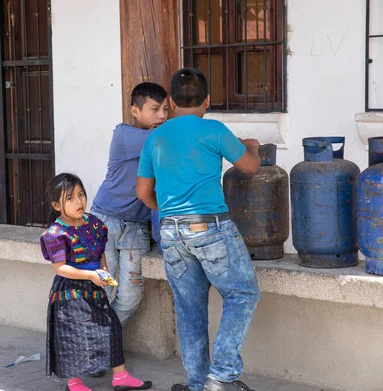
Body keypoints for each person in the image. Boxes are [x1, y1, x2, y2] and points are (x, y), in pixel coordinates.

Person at [136, 68, 262, 391]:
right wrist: (253, 148)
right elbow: (250, 166)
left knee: (190, 311)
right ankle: (221, 375)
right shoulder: (214, 131)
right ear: (207, 101)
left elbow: (143, 192)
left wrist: (167, 212)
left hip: (170, 232)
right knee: (243, 293)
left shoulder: (155, 138)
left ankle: (197, 384)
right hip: (211, 228)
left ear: (172, 104)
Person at [40, 173, 152, 391]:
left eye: (80, 194)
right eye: (70, 198)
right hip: (70, 294)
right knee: (73, 337)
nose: (79, 201)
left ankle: (120, 377)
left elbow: (100, 250)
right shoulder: (56, 233)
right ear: (56, 205)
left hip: (94, 289)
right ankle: (74, 383)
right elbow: (60, 268)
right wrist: (91, 275)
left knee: (110, 327)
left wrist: (103, 268)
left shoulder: (94, 223)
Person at [91, 82, 169, 327]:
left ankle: (106, 341)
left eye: (166, 109)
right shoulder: (124, 134)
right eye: (155, 109)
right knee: (102, 288)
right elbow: (163, 139)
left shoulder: (163, 139)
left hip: (137, 227)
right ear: (135, 112)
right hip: (105, 222)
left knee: (130, 296)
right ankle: (93, 347)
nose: (162, 116)